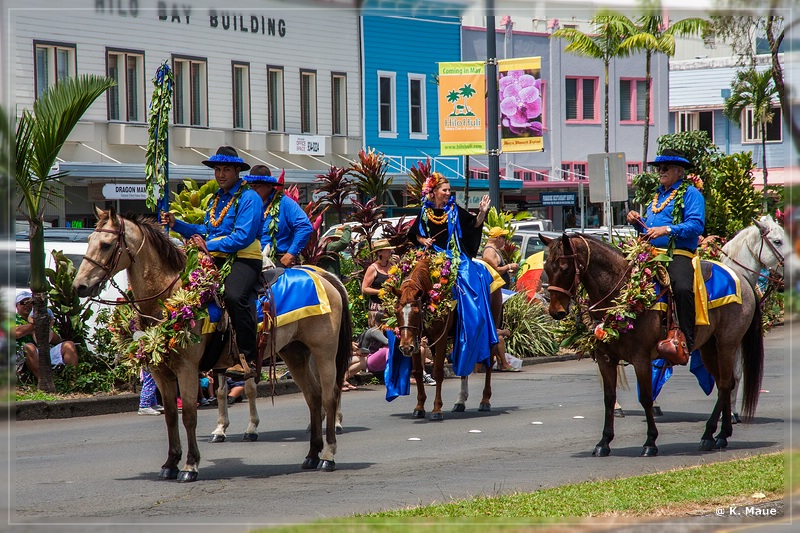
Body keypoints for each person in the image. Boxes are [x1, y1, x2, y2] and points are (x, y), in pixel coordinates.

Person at [161, 146, 263, 380]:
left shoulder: (250, 198)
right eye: (217, 169)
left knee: (235, 297)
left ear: (238, 171)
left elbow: (243, 237)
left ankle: (247, 359)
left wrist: (208, 246)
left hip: (245, 258)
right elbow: (207, 230)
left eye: (226, 169)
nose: (220, 174)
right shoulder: (217, 199)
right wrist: (178, 225)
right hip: (215, 258)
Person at [406, 173, 498, 375]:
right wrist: (424, 242)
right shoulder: (424, 211)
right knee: (406, 283)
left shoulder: (454, 210)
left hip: (455, 256)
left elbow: (473, 225)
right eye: (445, 190)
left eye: (449, 190)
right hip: (430, 255)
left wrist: (482, 212)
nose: (448, 193)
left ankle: (470, 322)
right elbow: (415, 234)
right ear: (434, 192)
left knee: (469, 278)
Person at [626, 148, 705, 350]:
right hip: (651, 253)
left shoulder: (691, 194)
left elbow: (696, 226)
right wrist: (638, 222)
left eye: (665, 168)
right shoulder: (657, 196)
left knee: (681, 287)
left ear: (679, 171)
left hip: (678, 253)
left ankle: (686, 339)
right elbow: (650, 229)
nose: (660, 171)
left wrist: (667, 230)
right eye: (659, 168)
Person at [243, 164, 312, 267]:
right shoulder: (246, 204)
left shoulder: (285, 203)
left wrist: (290, 254)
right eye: (251, 187)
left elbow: (304, 226)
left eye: (258, 186)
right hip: (248, 257)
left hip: (277, 259)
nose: (254, 191)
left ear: (269, 186)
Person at [15, 290, 79, 382]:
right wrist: (35, 325)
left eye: (30, 302)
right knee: (29, 347)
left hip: (45, 351)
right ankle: (44, 382)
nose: (27, 305)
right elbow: (15, 333)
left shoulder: (43, 315)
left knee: (69, 345)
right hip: (24, 356)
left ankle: (73, 381)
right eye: (22, 303)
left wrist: (46, 328)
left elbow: (57, 339)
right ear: (16, 306)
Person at [361, 239, 395, 327]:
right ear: (380, 253)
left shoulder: (392, 264)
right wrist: (380, 292)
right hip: (377, 308)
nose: (390, 252)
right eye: (387, 250)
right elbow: (364, 288)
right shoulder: (373, 268)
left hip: (392, 306)